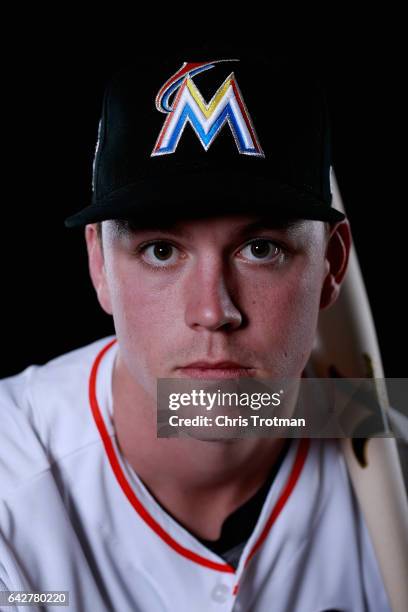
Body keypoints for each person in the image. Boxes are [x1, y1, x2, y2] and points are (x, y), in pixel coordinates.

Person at [0, 55, 394, 611]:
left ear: (331, 265)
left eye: (261, 249)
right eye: (161, 251)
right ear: (99, 266)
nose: (213, 311)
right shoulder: (10, 480)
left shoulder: (391, 454)